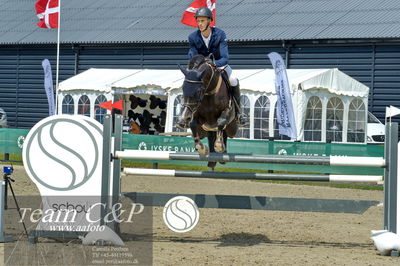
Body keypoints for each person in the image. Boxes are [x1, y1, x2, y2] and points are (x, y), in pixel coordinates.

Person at [180, 6, 248, 126]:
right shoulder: (193, 37)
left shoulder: (220, 34)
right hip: (201, 69)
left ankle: (238, 113)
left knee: (233, 80)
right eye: (198, 21)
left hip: (219, 65)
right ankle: (185, 113)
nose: (200, 24)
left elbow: (225, 58)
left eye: (202, 21)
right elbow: (193, 57)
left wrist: (214, 63)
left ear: (209, 21)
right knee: (188, 82)